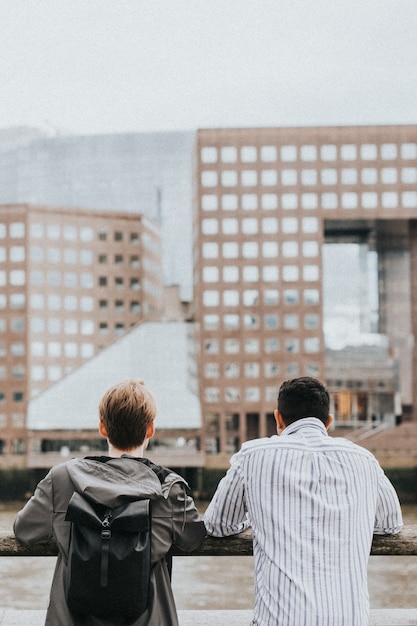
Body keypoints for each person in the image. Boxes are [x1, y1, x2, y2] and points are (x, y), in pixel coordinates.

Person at [204, 376, 403, 626]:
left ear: (278, 418)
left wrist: (255, 518)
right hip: (349, 619)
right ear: (328, 422)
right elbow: (390, 524)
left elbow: (217, 524)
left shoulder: (253, 456)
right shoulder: (363, 459)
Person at [14, 379, 206, 626]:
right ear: (150, 430)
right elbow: (194, 538)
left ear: (102, 428)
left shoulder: (61, 479)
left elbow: (24, 530)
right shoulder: (169, 489)